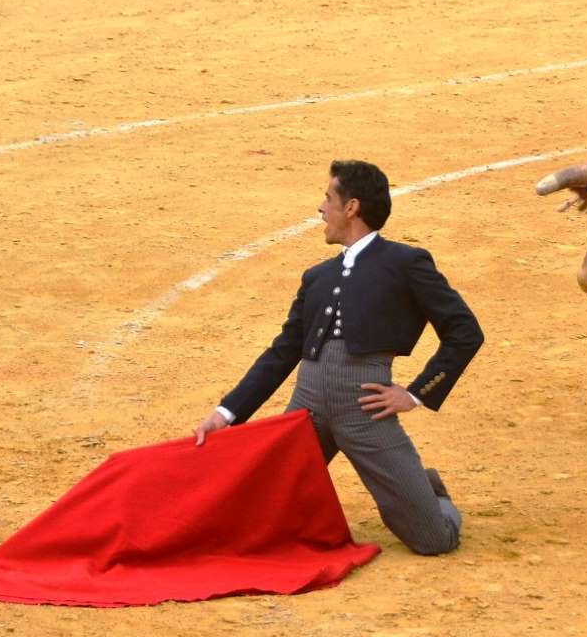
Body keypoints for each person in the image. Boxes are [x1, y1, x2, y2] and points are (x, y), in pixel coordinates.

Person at [193, 159, 484, 555]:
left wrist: (415, 394)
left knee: (434, 540)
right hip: (306, 412)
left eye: (328, 198)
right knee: (254, 522)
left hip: (365, 411)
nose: (320, 208)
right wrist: (227, 413)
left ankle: (431, 493)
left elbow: (465, 332)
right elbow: (283, 351)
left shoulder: (406, 263)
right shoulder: (317, 277)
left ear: (351, 208)